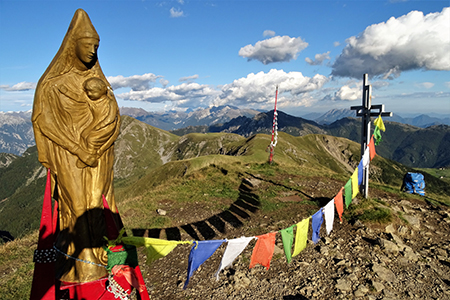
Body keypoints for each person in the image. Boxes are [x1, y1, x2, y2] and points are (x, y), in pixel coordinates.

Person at [32, 9, 121, 283]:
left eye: (97, 46)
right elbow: (44, 123)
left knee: (95, 204)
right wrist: (78, 147)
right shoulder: (52, 85)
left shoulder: (99, 83)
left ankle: (96, 257)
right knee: (76, 206)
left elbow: (113, 117)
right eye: (88, 45)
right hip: (68, 155)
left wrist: (95, 145)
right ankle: (78, 265)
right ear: (74, 45)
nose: (93, 51)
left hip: (97, 156)